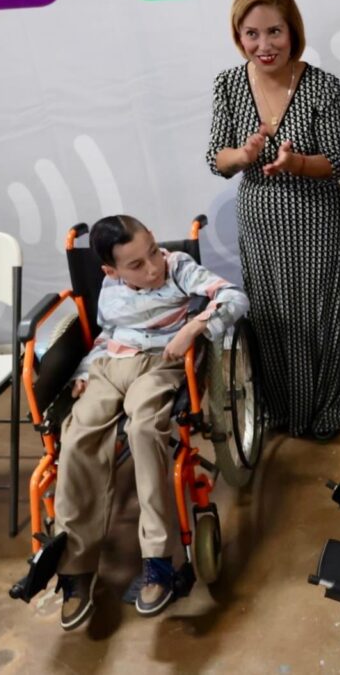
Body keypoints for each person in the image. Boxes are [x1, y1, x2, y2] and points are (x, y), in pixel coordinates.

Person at [55, 215, 249, 631]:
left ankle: (157, 558)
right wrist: (84, 372)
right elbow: (106, 333)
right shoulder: (108, 286)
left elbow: (234, 297)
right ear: (111, 271)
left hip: (160, 364)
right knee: (76, 439)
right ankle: (76, 566)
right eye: (136, 265)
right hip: (110, 366)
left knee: (144, 430)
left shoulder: (177, 267)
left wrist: (194, 327)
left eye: (152, 252)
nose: (152, 267)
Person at [206, 0, 340, 440]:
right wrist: (243, 155)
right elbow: (216, 159)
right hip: (261, 220)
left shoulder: (322, 85)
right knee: (271, 316)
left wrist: (297, 163)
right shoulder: (229, 85)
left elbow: (337, 161)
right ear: (238, 36)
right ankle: (279, 409)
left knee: (319, 314)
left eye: (274, 31)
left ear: (292, 30)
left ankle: (325, 408)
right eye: (252, 34)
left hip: (316, 216)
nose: (264, 45)